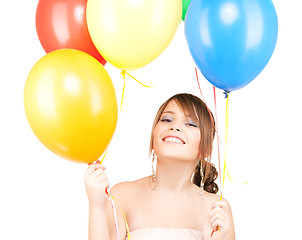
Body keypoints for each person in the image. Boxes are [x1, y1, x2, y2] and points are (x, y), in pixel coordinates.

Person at [84, 93, 235, 240]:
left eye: (190, 123)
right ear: (153, 137)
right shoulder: (123, 196)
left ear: (206, 149)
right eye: (167, 120)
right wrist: (96, 206)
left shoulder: (217, 209)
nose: (175, 127)